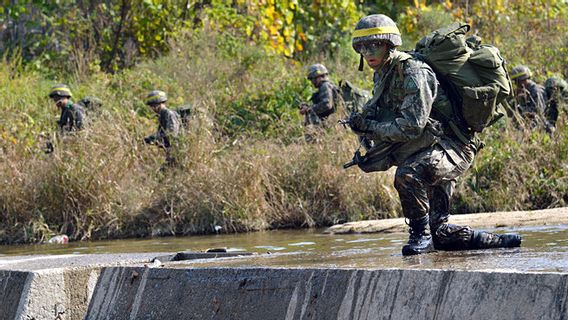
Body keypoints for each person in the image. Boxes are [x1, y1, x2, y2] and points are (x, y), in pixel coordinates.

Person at [346, 14, 521, 256]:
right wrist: (362, 126)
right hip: (428, 149)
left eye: (374, 44)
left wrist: (370, 126)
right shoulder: (383, 74)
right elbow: (385, 119)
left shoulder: (413, 71)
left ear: (389, 43)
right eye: (362, 47)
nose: (367, 52)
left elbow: (411, 126)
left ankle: (420, 236)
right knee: (442, 234)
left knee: (408, 175)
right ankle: (500, 242)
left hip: (454, 146)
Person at [299, 64, 340, 142]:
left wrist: (309, 109)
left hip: (332, 121)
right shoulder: (326, 86)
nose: (312, 82)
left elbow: (327, 105)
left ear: (319, 77)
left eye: (312, 79)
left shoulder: (325, 86)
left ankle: (313, 139)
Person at [143, 90, 181, 167]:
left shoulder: (169, 114)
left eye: (152, 105)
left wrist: (153, 138)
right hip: (170, 153)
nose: (152, 108)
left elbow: (172, 134)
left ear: (158, 104)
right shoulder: (162, 116)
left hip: (177, 152)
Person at [45, 84, 86, 153]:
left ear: (65, 97)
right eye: (54, 99)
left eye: (57, 98)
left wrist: (63, 140)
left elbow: (81, 131)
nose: (55, 101)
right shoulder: (65, 109)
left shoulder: (74, 109)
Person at [510, 65, 548, 129]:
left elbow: (539, 111)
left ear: (523, 79)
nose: (516, 84)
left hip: (540, 124)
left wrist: (522, 108)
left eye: (517, 81)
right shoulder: (523, 90)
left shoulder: (536, 91)